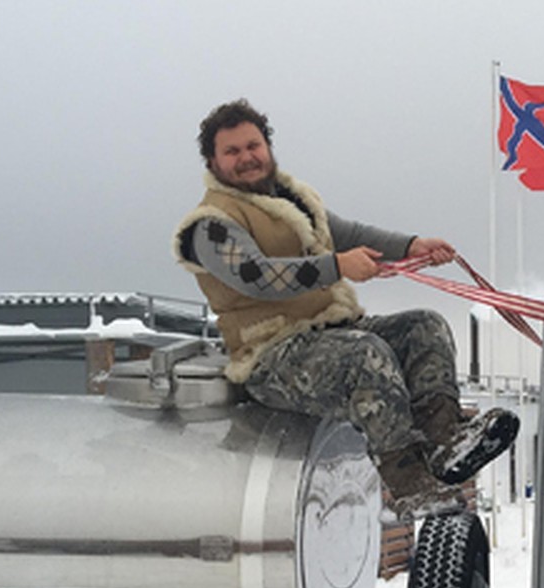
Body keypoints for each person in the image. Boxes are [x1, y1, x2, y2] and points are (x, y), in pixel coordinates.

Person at [173, 98, 518, 518]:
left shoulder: (292, 201)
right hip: (270, 355)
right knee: (363, 355)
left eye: (253, 146)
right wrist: (337, 266)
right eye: (232, 151)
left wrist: (411, 245)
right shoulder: (210, 224)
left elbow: (349, 233)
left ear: (267, 146)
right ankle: (408, 482)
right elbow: (256, 276)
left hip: (331, 332)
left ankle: (446, 441)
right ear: (213, 161)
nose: (247, 157)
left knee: (424, 326)